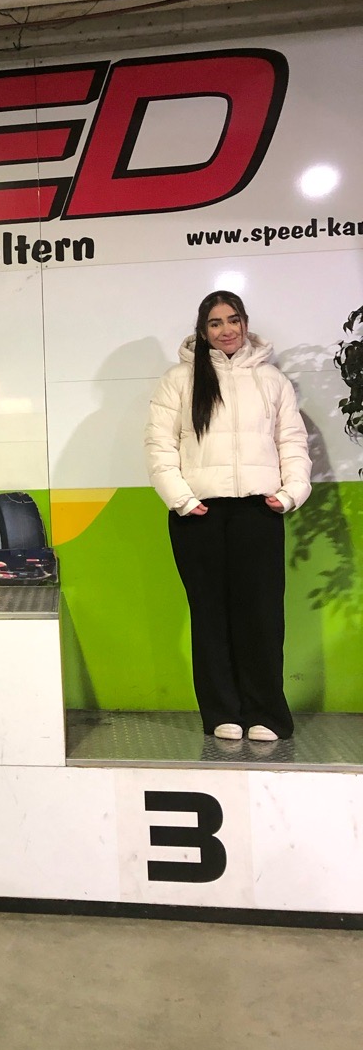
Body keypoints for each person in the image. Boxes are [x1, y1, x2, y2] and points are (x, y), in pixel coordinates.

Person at [144, 291, 311, 742]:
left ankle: (266, 714)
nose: (226, 330)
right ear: (203, 331)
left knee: (261, 617)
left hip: (258, 512)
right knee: (210, 616)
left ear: (245, 323)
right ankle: (222, 712)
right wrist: (181, 498)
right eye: (215, 323)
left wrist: (291, 493)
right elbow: (160, 446)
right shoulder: (179, 380)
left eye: (232, 320)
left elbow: (292, 441)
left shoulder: (272, 380)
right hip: (198, 514)